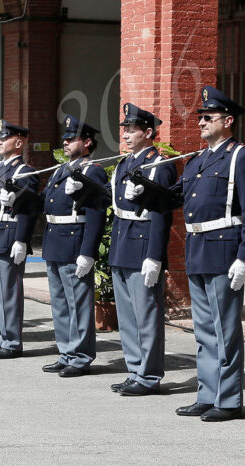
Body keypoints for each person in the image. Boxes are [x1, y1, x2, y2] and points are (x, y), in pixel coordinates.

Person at [163, 86, 243, 421]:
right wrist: (142, 189)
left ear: (228, 121)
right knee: (204, 331)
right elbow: (173, 199)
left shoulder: (239, 156)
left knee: (225, 331)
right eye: (200, 117)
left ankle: (228, 400)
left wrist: (243, 256)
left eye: (207, 117)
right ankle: (207, 392)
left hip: (224, 252)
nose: (201, 123)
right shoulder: (197, 161)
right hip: (197, 250)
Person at [107, 104, 176, 396]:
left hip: (142, 246)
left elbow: (162, 213)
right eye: (125, 130)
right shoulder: (126, 163)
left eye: (132, 130)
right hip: (123, 245)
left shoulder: (158, 165)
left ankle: (148, 376)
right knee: (127, 316)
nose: (126, 135)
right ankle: (134, 370)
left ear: (148, 132)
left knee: (146, 315)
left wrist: (154, 256)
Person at [42, 115, 106, 377]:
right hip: (55, 239)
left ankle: (80, 356)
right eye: (65, 138)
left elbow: (97, 212)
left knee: (77, 303)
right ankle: (66, 351)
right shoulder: (61, 169)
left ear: (88, 142)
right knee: (59, 303)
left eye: (72, 138)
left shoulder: (93, 171)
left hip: (74, 240)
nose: (65, 142)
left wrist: (88, 252)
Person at [0, 120, 38, 359]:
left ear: (19, 142)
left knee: (8, 292)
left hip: (8, 234)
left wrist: (21, 239)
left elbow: (29, 208)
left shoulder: (25, 172)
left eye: (5, 138)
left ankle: (12, 341)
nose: (0, 141)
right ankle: (0, 336)